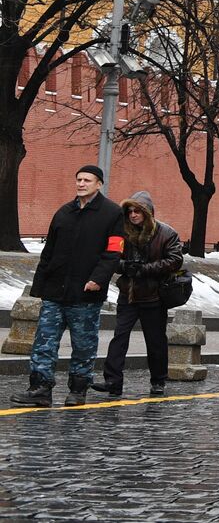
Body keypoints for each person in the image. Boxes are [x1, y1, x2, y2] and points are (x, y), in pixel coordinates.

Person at [10, 165, 124, 408]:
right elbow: (48, 252)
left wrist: (98, 279)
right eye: (79, 179)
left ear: (99, 184)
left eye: (87, 180)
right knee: (44, 342)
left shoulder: (112, 213)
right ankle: (40, 388)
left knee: (83, 344)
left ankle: (77, 390)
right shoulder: (64, 212)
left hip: (85, 293)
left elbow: (113, 253)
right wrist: (39, 287)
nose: (81, 184)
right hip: (54, 291)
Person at [91, 191, 183, 398]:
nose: (133, 215)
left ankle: (158, 381)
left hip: (154, 295)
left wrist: (145, 269)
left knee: (155, 341)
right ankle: (112, 381)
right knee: (119, 338)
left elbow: (175, 260)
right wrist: (125, 266)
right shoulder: (121, 232)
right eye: (130, 211)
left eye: (137, 211)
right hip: (128, 294)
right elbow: (111, 257)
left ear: (147, 212)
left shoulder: (166, 233)